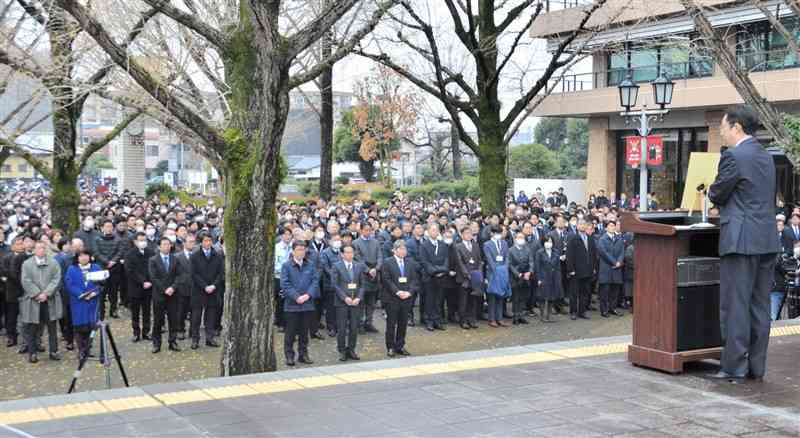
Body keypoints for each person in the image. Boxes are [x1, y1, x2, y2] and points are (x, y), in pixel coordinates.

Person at [707, 105, 780, 383]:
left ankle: (734, 367)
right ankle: (756, 368)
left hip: (740, 240)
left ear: (736, 127)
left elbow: (718, 192)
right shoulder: (766, 156)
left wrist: (715, 195)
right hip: (766, 240)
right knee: (760, 306)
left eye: (723, 128)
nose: (722, 133)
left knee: (735, 305)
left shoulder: (733, 157)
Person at [20, 241, 63, 363]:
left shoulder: (53, 263)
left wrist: (47, 293)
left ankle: (54, 351)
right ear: (34, 250)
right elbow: (25, 280)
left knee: (52, 328)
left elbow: (56, 279)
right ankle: (32, 353)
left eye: (44, 248)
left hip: (50, 300)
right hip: (34, 301)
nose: (42, 250)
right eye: (39, 248)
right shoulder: (27, 264)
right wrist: (37, 294)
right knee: (32, 328)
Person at [280, 240, 319, 366]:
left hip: (307, 304)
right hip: (292, 305)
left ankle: (303, 354)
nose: (301, 252)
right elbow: (285, 284)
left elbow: (314, 281)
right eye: (298, 249)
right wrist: (296, 297)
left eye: (303, 249)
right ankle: (289, 355)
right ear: (293, 251)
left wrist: (308, 295)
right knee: (290, 332)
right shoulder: (286, 266)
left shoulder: (310, 265)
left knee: (304, 332)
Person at [64, 249, 102, 361]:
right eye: (81, 256)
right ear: (77, 258)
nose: (84, 258)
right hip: (79, 302)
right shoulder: (72, 269)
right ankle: (81, 351)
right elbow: (69, 284)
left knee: (91, 327)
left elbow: (101, 284)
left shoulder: (96, 268)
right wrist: (81, 294)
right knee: (80, 327)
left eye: (86, 255)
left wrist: (94, 293)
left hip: (93, 301)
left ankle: (87, 349)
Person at [381, 240, 416, 357]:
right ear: (394, 250)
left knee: (403, 323)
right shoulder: (387, 262)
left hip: (406, 298)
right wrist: (397, 291)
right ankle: (390, 347)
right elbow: (386, 280)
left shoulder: (410, 262)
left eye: (404, 249)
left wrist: (409, 292)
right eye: (400, 249)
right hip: (392, 298)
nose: (403, 251)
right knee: (391, 324)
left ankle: (400, 345)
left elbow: (414, 280)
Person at [332, 244, 365, 361]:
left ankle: (351, 349)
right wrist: (344, 298)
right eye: (347, 252)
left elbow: (362, 285)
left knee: (354, 327)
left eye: (351, 252)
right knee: (341, 328)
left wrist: (358, 298)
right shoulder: (336, 266)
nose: (349, 254)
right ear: (341, 254)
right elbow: (335, 285)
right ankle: (342, 350)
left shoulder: (359, 266)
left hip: (356, 302)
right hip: (342, 302)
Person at [190, 234, 224, 349]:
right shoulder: (194, 256)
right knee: (196, 316)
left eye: (210, 240)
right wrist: (204, 286)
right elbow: (193, 274)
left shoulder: (217, 255)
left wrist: (214, 285)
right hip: (199, 290)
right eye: (205, 240)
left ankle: (210, 338)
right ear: (201, 242)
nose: (208, 243)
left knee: (211, 316)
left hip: (213, 290)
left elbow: (221, 273)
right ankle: (195, 339)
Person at [149, 237, 181, 353]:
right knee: (158, 320)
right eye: (164, 244)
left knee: (173, 319)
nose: (167, 246)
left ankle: (173, 341)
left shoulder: (175, 259)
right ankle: (156, 343)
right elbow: (154, 277)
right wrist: (165, 289)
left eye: (168, 244)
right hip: (159, 294)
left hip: (173, 294)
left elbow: (179, 275)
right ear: (159, 246)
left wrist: (173, 287)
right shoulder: (153, 260)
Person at [353, 222, 381, 334]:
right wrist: (368, 270)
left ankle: (369, 322)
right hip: (363, 275)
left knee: (371, 302)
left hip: (374, 275)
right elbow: (358, 258)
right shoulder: (356, 243)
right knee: (361, 301)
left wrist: (376, 268)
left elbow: (380, 256)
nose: (368, 232)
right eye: (365, 230)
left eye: (370, 230)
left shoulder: (376, 242)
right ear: (360, 230)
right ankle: (359, 324)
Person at [451, 226, 482, 329]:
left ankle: (471, 319)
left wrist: (478, 273)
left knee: (472, 299)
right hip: (464, 278)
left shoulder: (476, 245)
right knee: (463, 300)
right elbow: (459, 263)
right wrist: (467, 274)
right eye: (466, 233)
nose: (469, 235)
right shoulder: (458, 246)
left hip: (475, 277)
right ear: (462, 235)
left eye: (470, 233)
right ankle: (463, 320)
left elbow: (479, 261)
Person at [420, 224, 449, 331]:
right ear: (428, 232)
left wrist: (443, 270)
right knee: (429, 300)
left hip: (441, 277)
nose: (435, 232)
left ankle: (437, 320)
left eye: (436, 230)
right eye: (432, 230)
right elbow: (424, 261)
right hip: (430, 277)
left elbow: (446, 259)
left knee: (439, 300)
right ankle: (429, 321)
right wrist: (435, 271)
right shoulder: (424, 245)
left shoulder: (443, 244)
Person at [125, 232, 153, 343]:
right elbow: (130, 271)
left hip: (149, 287)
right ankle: (136, 332)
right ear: (135, 241)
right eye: (140, 240)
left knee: (147, 311)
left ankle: (146, 332)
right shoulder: (129, 254)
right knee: (135, 312)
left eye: (144, 240)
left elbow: (153, 268)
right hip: (135, 287)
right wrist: (142, 281)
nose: (143, 242)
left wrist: (149, 281)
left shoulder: (150, 253)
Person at [565, 219, 595, 320]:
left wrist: (593, 268)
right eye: (581, 224)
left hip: (587, 270)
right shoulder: (573, 238)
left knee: (585, 292)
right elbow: (569, 255)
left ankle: (582, 311)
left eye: (584, 224)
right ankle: (573, 311)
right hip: (576, 271)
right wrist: (571, 269)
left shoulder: (590, 238)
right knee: (574, 293)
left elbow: (593, 254)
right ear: (577, 226)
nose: (582, 226)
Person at [484, 226, 511, 327]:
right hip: (492, 273)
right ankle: (492, 319)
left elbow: (507, 257)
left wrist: (504, 268)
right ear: (492, 234)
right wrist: (496, 269)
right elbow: (489, 259)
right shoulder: (487, 244)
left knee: (500, 296)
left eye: (499, 233)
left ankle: (499, 318)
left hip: (503, 273)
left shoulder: (504, 243)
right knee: (492, 297)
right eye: (496, 233)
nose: (498, 235)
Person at [597, 220, 624, 318]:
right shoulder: (602, 239)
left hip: (616, 269)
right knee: (605, 291)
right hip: (606, 268)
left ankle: (613, 308)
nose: (613, 227)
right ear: (606, 228)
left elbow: (622, 251)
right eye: (610, 226)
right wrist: (614, 262)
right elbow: (604, 253)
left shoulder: (619, 238)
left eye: (614, 225)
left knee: (615, 290)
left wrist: (619, 262)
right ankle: (604, 310)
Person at [4, 236, 28, 348]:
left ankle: (27, 339)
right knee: (11, 316)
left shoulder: (27, 257)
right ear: (12, 246)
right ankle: (11, 337)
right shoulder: (7, 258)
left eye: (22, 243)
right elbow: (5, 271)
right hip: (12, 290)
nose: (21, 246)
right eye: (18, 244)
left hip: (25, 290)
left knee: (26, 316)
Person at [536, 236, 563, 323]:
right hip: (543, 277)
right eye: (547, 241)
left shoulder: (556, 252)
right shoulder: (539, 252)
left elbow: (558, 266)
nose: (549, 243)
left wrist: (558, 278)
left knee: (552, 296)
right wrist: (539, 278)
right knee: (542, 297)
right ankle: (542, 315)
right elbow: (537, 267)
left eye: (550, 241)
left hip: (553, 277)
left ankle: (548, 315)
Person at [174, 234, 194, 340]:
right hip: (182, 288)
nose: (192, 244)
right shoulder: (177, 257)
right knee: (181, 311)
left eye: (193, 242)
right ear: (184, 243)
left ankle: (193, 330)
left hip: (195, 288)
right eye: (190, 242)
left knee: (194, 311)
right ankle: (180, 329)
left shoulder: (196, 255)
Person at [508, 232, 531, 325]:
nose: (521, 239)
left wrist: (529, 272)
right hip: (515, 277)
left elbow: (531, 262)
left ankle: (521, 315)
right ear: (515, 239)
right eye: (519, 237)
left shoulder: (527, 250)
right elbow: (510, 264)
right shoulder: (510, 250)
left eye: (522, 238)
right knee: (516, 297)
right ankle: (516, 316)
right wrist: (518, 274)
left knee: (523, 297)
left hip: (526, 276)